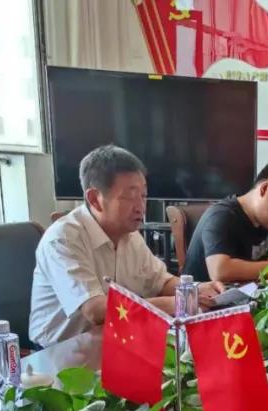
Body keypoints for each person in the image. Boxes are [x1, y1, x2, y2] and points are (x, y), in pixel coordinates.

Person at [29, 145, 223, 348]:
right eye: (129, 197)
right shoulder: (63, 239)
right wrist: (177, 303)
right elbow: (95, 310)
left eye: (144, 196)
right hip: (60, 353)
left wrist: (197, 289)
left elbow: (161, 282)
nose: (141, 207)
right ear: (95, 199)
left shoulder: (130, 236)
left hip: (115, 342)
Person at [183, 158, 268, 283]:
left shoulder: (265, 223)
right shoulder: (222, 216)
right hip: (203, 294)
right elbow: (219, 271)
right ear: (264, 189)